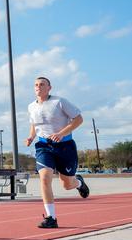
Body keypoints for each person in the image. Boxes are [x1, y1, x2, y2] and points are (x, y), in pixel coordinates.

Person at [24, 76, 90, 228]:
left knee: (67, 185)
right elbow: (34, 124)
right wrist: (31, 136)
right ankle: (51, 217)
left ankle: (79, 183)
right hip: (43, 146)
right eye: (36, 85)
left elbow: (78, 119)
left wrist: (61, 133)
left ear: (49, 88)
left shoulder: (59, 102)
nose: (38, 87)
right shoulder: (31, 107)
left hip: (65, 146)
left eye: (42, 84)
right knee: (45, 178)